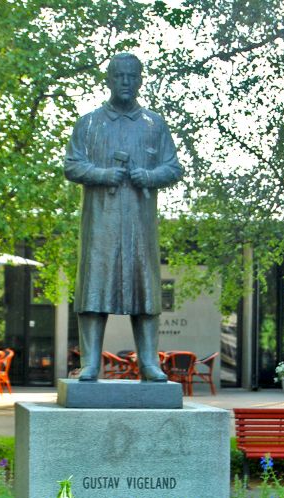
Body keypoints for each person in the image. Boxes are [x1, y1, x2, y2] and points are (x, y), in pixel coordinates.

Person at [64, 52, 183, 382]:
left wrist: (149, 176)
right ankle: (90, 363)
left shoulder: (154, 124)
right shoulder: (88, 123)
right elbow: (71, 165)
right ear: (109, 80)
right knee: (93, 289)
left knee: (144, 291)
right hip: (100, 223)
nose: (126, 82)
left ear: (141, 79)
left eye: (132, 76)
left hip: (139, 225)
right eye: (120, 76)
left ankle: (148, 362)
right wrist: (103, 175)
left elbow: (173, 168)